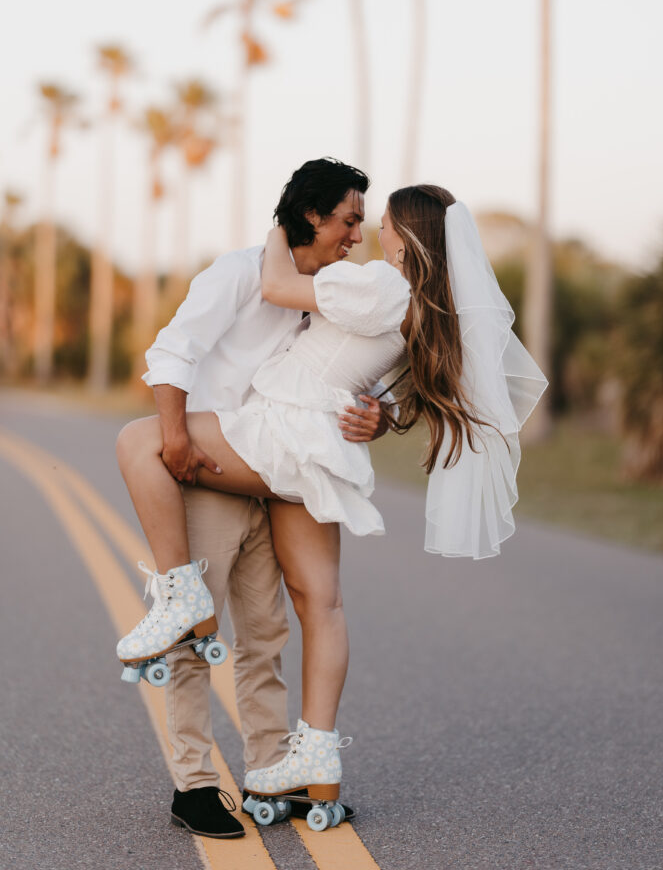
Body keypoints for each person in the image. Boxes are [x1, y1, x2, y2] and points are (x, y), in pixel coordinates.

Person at [116, 184, 547, 833]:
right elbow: (400, 382)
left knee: (134, 439)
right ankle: (302, 760)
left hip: (276, 436)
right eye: (351, 220)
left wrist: (278, 228)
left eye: (377, 221)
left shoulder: (374, 283)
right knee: (320, 603)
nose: (366, 231)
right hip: (310, 452)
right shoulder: (425, 303)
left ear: (408, 232)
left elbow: (277, 285)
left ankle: (176, 595)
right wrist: (386, 414)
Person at [126, 157, 391, 839]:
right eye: (349, 220)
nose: (355, 237)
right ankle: (194, 783)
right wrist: (176, 440)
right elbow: (172, 351)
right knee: (194, 629)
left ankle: (270, 770)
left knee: (265, 633)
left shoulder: (332, 294)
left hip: (276, 478)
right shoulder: (242, 273)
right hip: (211, 465)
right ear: (312, 214)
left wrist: (378, 418)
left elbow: (359, 386)